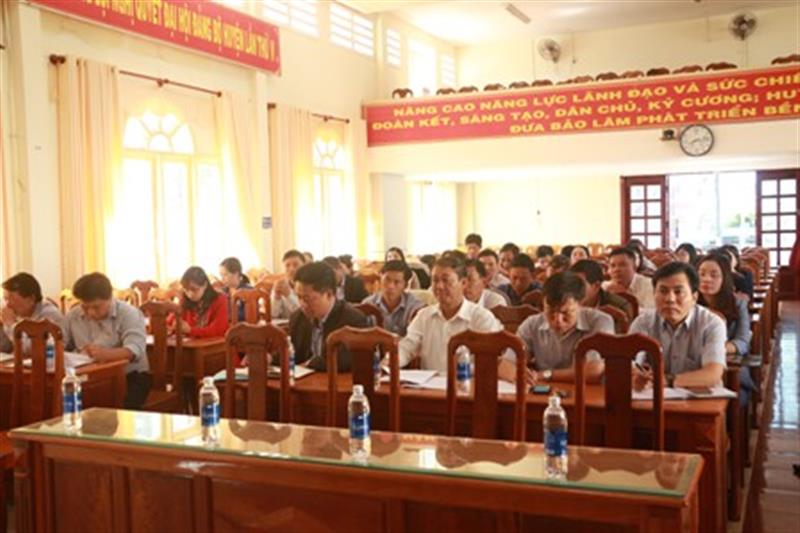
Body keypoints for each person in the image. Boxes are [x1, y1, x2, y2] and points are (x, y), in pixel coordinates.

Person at [498, 272, 613, 384]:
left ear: (581, 304)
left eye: (566, 313)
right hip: (543, 390)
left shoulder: (600, 322)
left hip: (589, 392)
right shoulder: (532, 324)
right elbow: (505, 364)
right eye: (550, 312)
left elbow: (594, 371)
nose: (558, 320)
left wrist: (546, 375)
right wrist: (518, 374)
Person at [630, 262, 726, 389]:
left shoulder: (712, 324)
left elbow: (712, 374)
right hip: (651, 394)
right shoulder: (643, 322)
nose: (670, 299)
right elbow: (629, 362)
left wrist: (667, 381)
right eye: (663, 291)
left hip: (698, 396)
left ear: (694, 297)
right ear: (654, 294)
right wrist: (636, 374)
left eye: (678, 292)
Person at [400, 256, 502, 372]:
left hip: (468, 381)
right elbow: (407, 347)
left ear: (463, 283)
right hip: (429, 382)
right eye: (435, 280)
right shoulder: (424, 315)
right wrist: (390, 362)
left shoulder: (481, 318)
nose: (439, 286)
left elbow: (491, 360)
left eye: (446, 280)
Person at [64, 272, 149, 409]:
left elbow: (134, 350)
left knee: (112, 410)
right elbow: (59, 343)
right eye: (85, 307)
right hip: (87, 379)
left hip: (129, 377)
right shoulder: (73, 316)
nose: (90, 313)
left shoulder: (129, 314)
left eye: (96, 307)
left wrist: (106, 355)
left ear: (110, 298)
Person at [289, 262, 369, 371]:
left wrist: (310, 364)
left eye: (307, 299)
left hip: (337, 380)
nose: (302, 304)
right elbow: (292, 352)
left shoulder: (352, 319)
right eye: (299, 297)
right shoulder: (298, 318)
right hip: (304, 380)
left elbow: (343, 361)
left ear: (329, 294)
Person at [697, 253, 752, 356]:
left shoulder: (738, 303)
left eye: (714, 275)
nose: (706, 279)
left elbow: (743, 342)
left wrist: (714, 348)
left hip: (725, 357)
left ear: (725, 278)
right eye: (702, 274)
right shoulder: (688, 302)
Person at [1, 272, 65, 352]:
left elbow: (32, 349)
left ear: (31, 299)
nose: (8, 304)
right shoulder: (17, 314)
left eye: (12, 299)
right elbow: (4, 347)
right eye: (6, 299)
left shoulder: (49, 315)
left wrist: (10, 325)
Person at [361, 261, 424, 337]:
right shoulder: (368, 304)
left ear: (405, 285)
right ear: (381, 278)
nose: (390, 286)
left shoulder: (414, 307)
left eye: (397, 282)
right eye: (387, 280)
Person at [178, 266, 229, 338]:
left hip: (212, 342)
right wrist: (175, 325)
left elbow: (218, 330)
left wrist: (190, 330)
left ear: (205, 285)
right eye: (186, 290)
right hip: (192, 342)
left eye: (194, 290)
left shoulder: (220, 299)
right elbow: (171, 320)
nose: (190, 295)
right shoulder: (185, 299)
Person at [271, 249, 305, 319]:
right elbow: (273, 314)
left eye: (295, 265)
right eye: (287, 265)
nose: (291, 269)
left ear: (304, 266)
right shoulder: (281, 284)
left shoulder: (309, 286)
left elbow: (304, 314)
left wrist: (288, 295)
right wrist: (276, 297)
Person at [219, 257, 252, 322]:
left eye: (225, 275)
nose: (222, 279)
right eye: (221, 275)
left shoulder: (249, 291)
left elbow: (248, 314)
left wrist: (225, 316)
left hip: (242, 326)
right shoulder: (222, 292)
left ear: (236, 273)